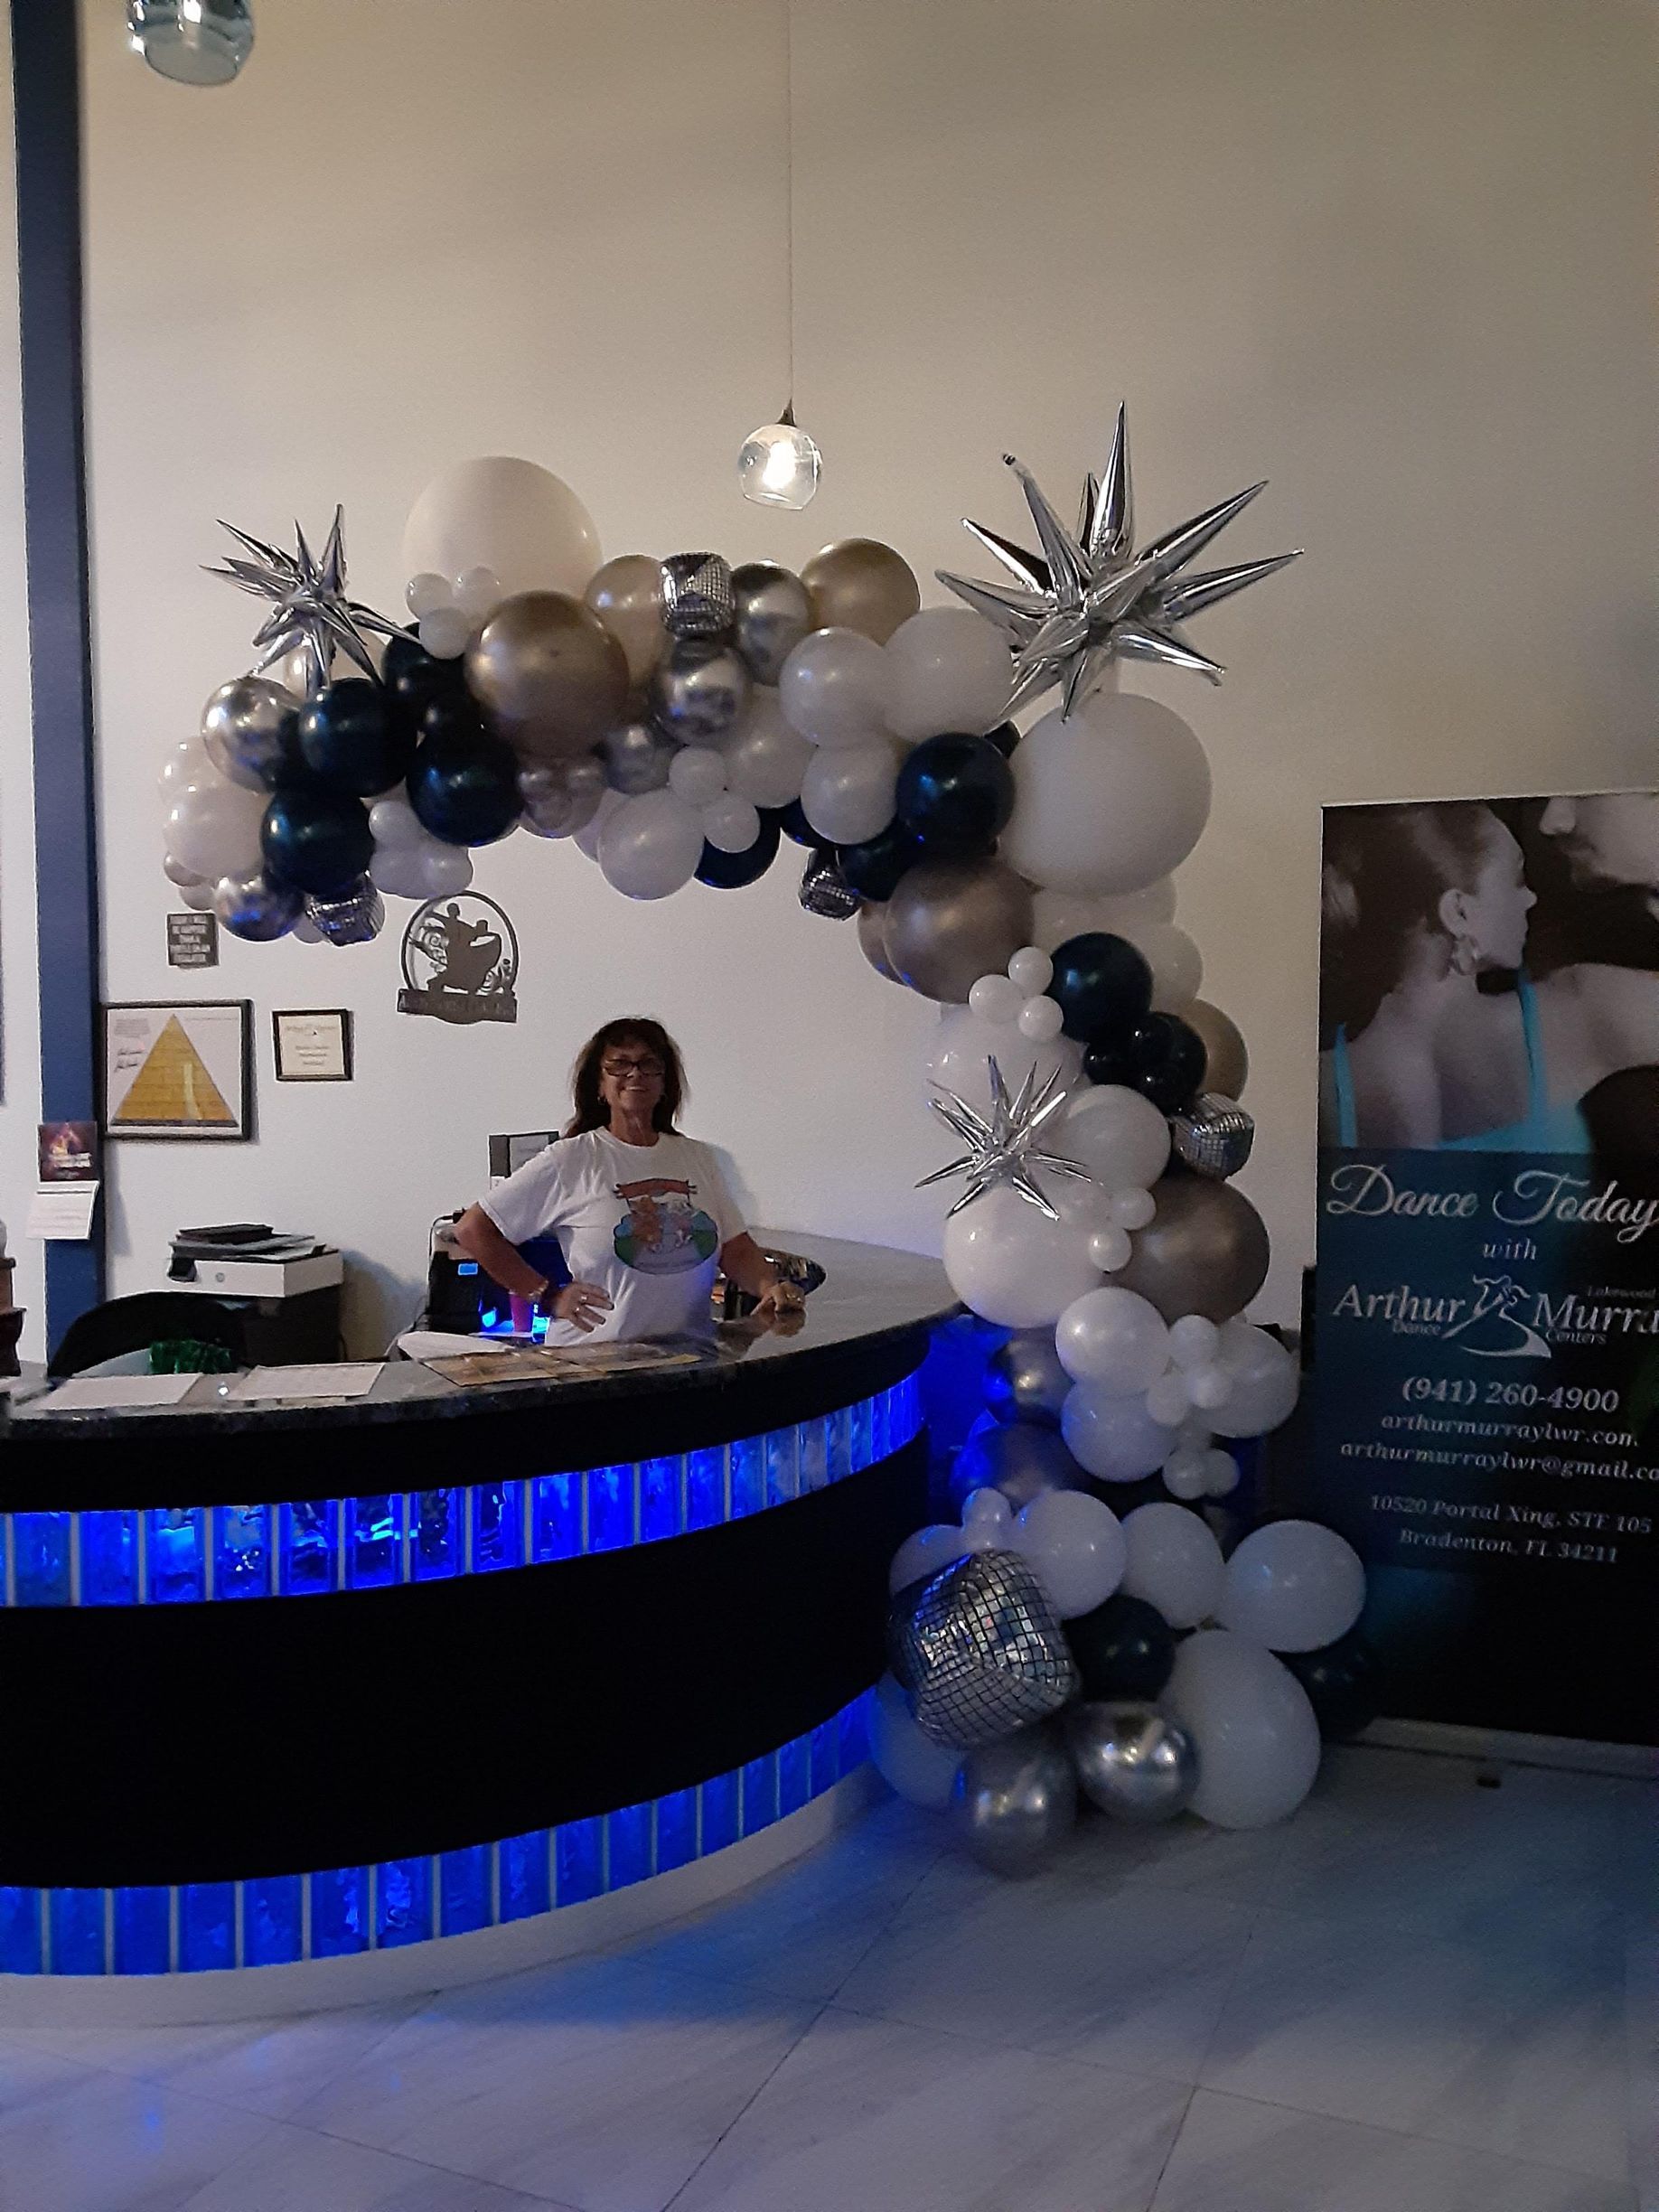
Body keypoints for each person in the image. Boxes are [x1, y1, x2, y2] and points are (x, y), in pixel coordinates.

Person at [1318, 800, 1659, 1150]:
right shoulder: (1581, 1013)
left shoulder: (1320, 1079)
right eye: (1516, 880)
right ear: (1458, 913)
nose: (1530, 899)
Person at [452, 1017, 804, 1344]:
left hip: (686, 1359)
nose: (635, 1074)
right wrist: (547, 1295)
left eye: (649, 1064)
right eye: (619, 1064)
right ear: (600, 1085)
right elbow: (473, 1229)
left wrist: (769, 1286)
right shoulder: (571, 1159)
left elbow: (735, 1248)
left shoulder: (698, 1158)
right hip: (593, 1364)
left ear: (665, 1084)